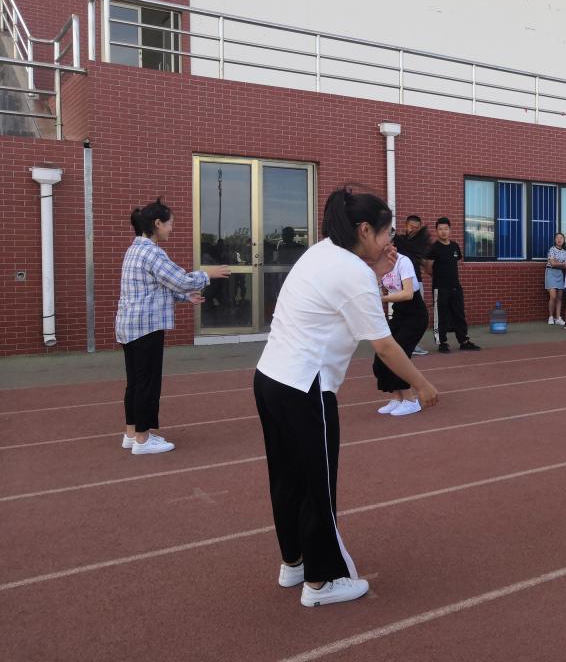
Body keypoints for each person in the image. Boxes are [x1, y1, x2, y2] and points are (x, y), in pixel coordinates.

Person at [253, 189, 439, 608]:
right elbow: (385, 346)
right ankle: (322, 582)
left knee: (286, 478)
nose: (391, 242)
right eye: (387, 233)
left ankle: (294, 563)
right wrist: (422, 385)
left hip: (269, 378)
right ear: (365, 230)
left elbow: (345, 296)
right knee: (317, 485)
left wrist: (375, 269)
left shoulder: (322, 252)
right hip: (305, 387)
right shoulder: (353, 273)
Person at [116, 200, 231, 455]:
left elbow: (157, 287)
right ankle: (143, 440)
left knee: (135, 382)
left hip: (129, 326)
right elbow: (180, 280)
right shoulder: (152, 253)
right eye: (169, 224)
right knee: (147, 384)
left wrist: (185, 297)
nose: (171, 229)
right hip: (146, 328)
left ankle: (131, 434)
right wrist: (207, 274)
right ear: (157, 224)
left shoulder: (134, 249)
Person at [374, 231, 431, 417]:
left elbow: (408, 293)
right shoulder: (381, 264)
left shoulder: (403, 261)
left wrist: (382, 298)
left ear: (394, 245)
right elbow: (378, 286)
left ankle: (411, 401)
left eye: (387, 244)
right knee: (380, 357)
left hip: (415, 315)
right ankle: (397, 397)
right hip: (398, 314)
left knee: (398, 356)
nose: (384, 248)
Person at [427, 217, 481, 353]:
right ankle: (442, 343)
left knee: (459, 314)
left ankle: (464, 341)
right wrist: (439, 277)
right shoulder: (434, 248)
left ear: (450, 230)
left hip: (455, 287)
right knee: (440, 316)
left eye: (446, 229)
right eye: (440, 229)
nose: (443, 231)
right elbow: (428, 267)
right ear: (436, 231)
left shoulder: (455, 246)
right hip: (440, 288)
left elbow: (456, 263)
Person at [395, 215, 431, 356]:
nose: (413, 230)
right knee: (401, 314)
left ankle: (413, 344)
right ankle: (399, 343)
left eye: (416, 228)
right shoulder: (398, 241)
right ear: (406, 225)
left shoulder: (421, 243)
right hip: (401, 283)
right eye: (411, 227)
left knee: (417, 315)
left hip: (417, 282)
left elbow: (425, 262)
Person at [546, 233, 566, 325]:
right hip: (551, 272)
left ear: (564, 240)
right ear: (555, 240)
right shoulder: (552, 249)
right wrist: (561, 264)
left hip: (560, 273)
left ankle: (558, 317)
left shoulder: (564, 252)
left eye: (561, 238)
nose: (559, 240)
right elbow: (552, 264)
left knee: (559, 297)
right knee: (553, 296)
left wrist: (558, 263)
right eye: (557, 238)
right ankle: (551, 317)